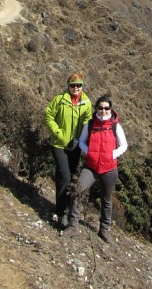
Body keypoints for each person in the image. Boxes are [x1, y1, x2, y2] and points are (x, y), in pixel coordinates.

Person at [64, 94, 128, 243]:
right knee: (77, 191)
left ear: (111, 109)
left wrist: (113, 154)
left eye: (107, 108)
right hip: (91, 167)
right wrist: (89, 152)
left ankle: (104, 230)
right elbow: (81, 141)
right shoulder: (91, 124)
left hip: (109, 168)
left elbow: (123, 145)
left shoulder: (115, 126)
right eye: (100, 108)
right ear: (96, 109)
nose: (104, 111)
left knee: (106, 200)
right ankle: (73, 225)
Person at [44, 72, 92, 228]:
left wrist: (81, 140)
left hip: (75, 146)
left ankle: (66, 209)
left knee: (69, 177)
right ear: (68, 86)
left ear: (82, 86)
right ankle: (61, 212)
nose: (76, 88)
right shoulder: (60, 100)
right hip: (59, 144)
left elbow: (88, 123)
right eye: (73, 85)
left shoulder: (86, 103)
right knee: (64, 175)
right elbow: (48, 115)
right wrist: (59, 134)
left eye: (78, 85)